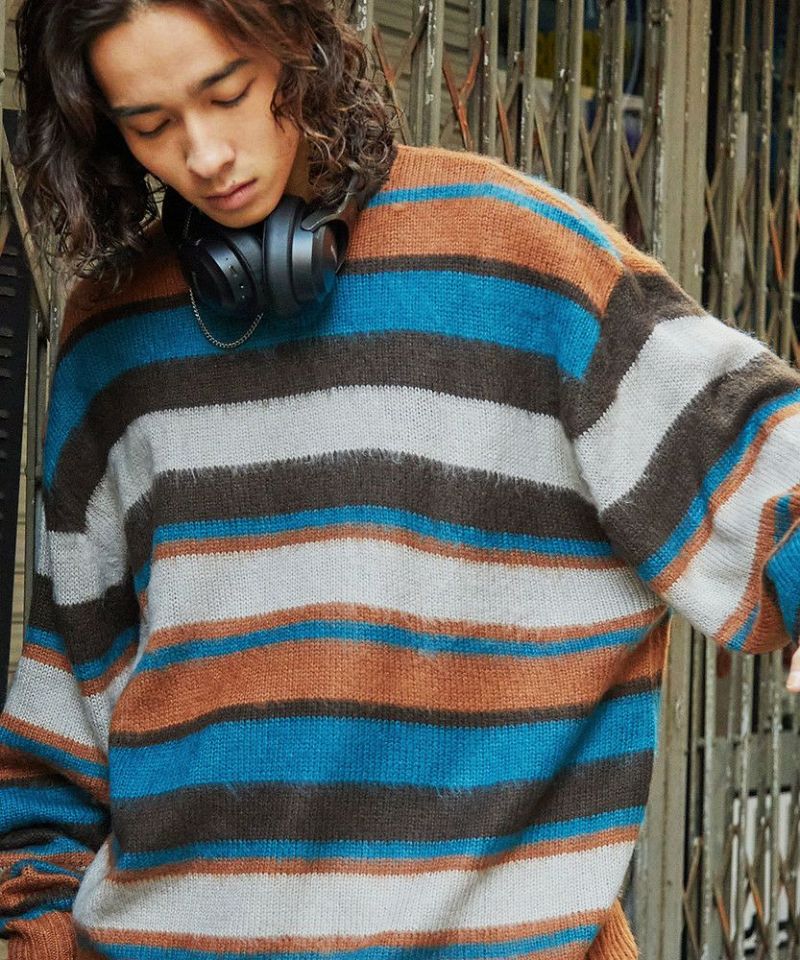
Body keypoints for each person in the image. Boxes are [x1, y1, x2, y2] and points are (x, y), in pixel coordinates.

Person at [1, 1, 799, 958]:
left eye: (228, 92)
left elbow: (759, 458)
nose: (205, 154)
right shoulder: (109, 334)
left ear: (294, 44)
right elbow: (60, 721)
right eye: (151, 124)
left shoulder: (520, 258)